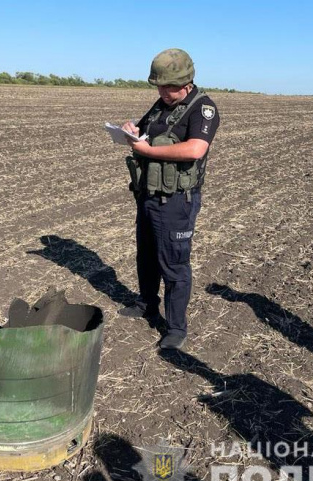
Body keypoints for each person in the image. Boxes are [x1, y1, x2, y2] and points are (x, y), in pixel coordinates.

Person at [119, 48, 220, 350]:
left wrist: (147, 151)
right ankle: (147, 303)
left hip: (177, 200)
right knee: (146, 255)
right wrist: (131, 131)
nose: (163, 92)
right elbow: (144, 130)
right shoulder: (161, 104)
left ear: (187, 82)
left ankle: (176, 327)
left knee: (174, 264)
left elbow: (194, 149)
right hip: (148, 195)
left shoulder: (203, 109)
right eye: (159, 86)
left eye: (170, 87)